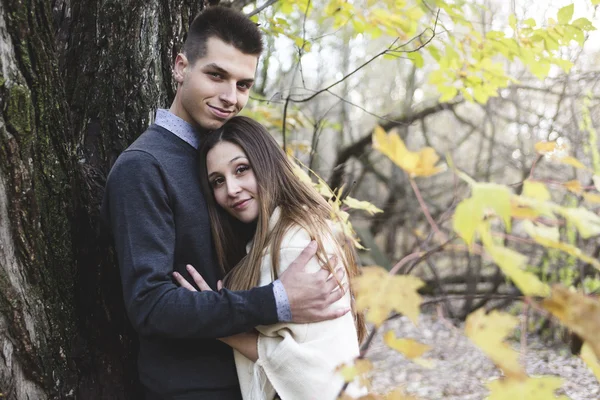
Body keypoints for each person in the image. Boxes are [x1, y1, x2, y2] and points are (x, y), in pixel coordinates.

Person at [101, 6, 348, 400]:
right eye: (216, 75)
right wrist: (277, 301)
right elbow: (149, 306)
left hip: (262, 382)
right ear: (181, 67)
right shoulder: (144, 167)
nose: (230, 97)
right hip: (192, 389)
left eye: (244, 84)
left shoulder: (231, 156)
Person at [174, 116, 367, 400]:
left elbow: (305, 363)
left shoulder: (295, 243)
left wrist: (214, 320)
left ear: (266, 163)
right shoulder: (283, 233)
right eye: (218, 181)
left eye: (241, 169)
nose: (231, 189)